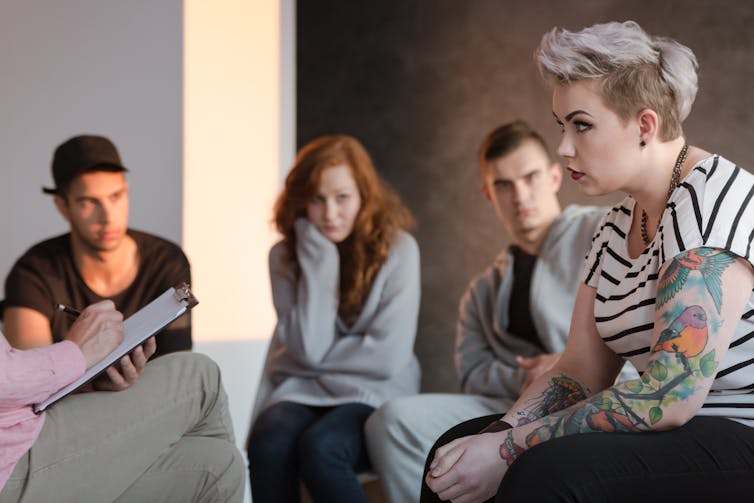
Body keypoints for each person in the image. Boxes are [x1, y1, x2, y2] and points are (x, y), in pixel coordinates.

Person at [422, 20, 754, 503]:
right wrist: (497, 434)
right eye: (562, 126)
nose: (564, 147)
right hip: (677, 429)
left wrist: (509, 450)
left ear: (645, 125)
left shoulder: (715, 200)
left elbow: (670, 396)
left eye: (582, 124)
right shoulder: (615, 223)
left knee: (543, 473)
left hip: (741, 429)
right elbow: (580, 368)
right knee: (453, 454)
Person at [365, 120, 614, 503]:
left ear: (553, 177)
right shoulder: (483, 289)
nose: (520, 195)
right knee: (392, 421)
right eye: (503, 185)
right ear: (488, 195)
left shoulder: (603, 232)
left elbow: (636, 334)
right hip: (511, 400)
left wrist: (562, 367)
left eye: (530, 177)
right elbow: (472, 373)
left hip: (593, 394)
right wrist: (522, 374)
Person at [246, 134, 421, 503]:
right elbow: (309, 347)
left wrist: (312, 363)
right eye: (317, 199)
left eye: (342, 197)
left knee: (322, 448)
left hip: (375, 391)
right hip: (301, 389)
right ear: (300, 201)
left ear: (363, 195)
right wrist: (321, 263)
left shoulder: (400, 250)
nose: (329, 214)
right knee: (268, 440)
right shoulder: (284, 256)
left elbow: (387, 357)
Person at [0, 300, 244, 503]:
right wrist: (76, 352)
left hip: (17, 440)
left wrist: (83, 384)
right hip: (11, 461)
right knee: (199, 376)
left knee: (219, 467)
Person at [3, 134, 192, 390]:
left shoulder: (166, 261)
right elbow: (32, 385)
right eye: (89, 202)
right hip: (63, 417)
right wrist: (96, 383)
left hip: (149, 405)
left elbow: (177, 370)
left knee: (202, 374)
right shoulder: (33, 272)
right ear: (62, 206)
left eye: (116, 196)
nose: (107, 216)